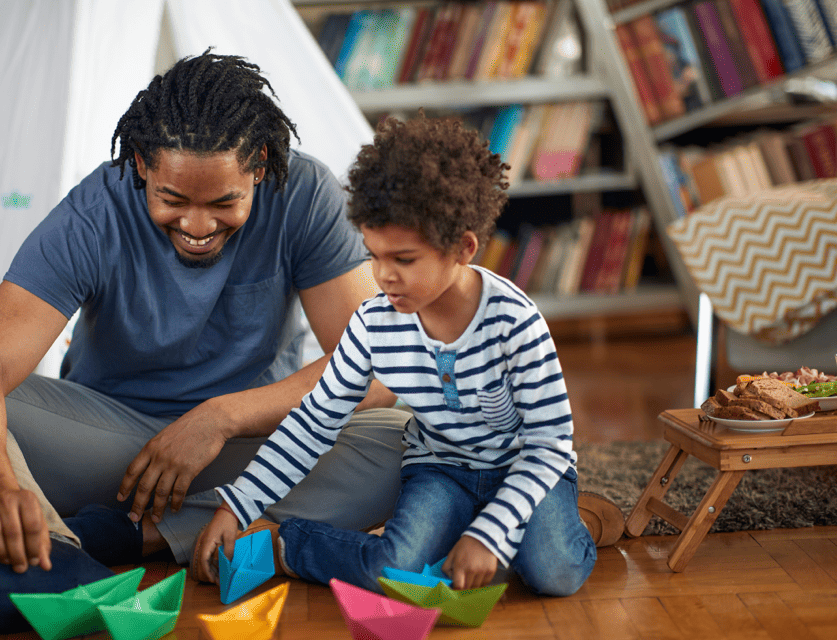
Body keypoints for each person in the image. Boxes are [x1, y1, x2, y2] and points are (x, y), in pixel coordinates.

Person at [0, 51, 410, 633]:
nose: (199, 226)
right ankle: (48, 557)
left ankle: (121, 539)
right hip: (110, 453)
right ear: (140, 164)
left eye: (223, 204)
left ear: (259, 166)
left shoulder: (304, 193)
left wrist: (222, 417)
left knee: (411, 442)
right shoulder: (94, 211)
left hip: (246, 458)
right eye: (173, 200)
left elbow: (379, 367)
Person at [195, 113, 624, 596]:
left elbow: (549, 444)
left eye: (404, 260)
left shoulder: (515, 322)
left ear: (463, 248)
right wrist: (237, 506)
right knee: (393, 569)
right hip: (440, 469)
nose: (383, 276)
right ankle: (288, 546)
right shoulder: (375, 324)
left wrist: (490, 532)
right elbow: (313, 422)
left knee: (556, 573)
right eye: (373, 255)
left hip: (523, 465)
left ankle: (582, 516)